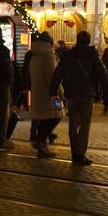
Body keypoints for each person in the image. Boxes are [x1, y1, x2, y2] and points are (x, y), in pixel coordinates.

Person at [50, 31, 108, 165]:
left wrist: (53, 91)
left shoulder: (68, 55)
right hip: (87, 94)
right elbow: (102, 73)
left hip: (71, 94)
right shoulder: (92, 55)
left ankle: (74, 152)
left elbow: (58, 73)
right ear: (88, 41)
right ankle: (80, 153)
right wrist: (106, 91)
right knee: (85, 124)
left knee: (73, 123)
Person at [26, 31, 61, 159]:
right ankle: (41, 141)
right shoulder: (49, 57)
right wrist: (60, 93)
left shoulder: (34, 56)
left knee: (43, 119)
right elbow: (53, 77)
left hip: (37, 94)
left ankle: (42, 144)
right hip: (51, 95)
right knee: (58, 114)